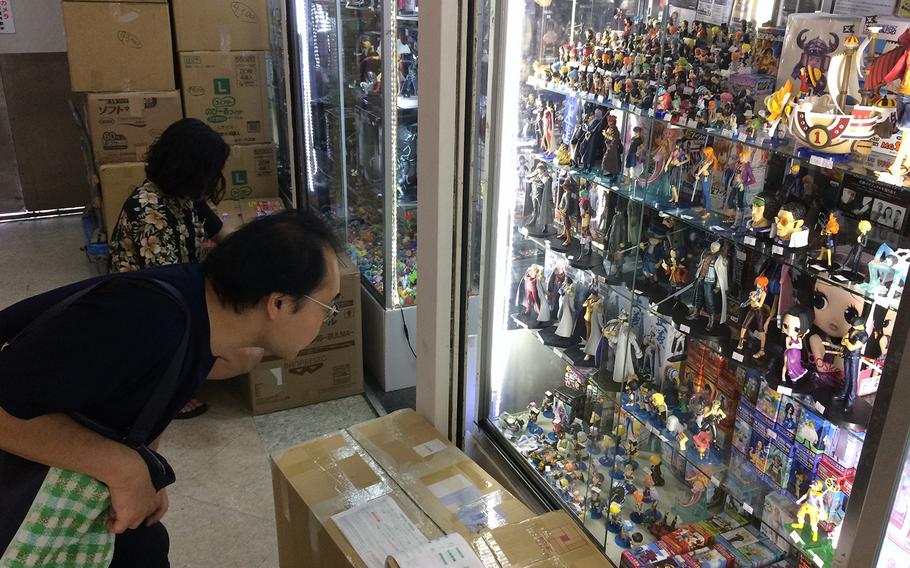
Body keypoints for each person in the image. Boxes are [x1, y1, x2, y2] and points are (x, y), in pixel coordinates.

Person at [0, 211, 342, 568]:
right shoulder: (148, 318)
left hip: (78, 486)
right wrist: (124, 468)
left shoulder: (203, 316)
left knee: (145, 544)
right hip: (21, 494)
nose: (327, 320)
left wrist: (148, 466)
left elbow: (142, 396)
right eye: (326, 307)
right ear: (279, 303)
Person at [110, 118, 238, 419]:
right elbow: (171, 294)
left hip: (176, 293)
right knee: (237, 356)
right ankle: (162, 385)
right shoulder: (149, 213)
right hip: (146, 312)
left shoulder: (184, 195)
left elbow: (222, 235)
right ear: (191, 170)